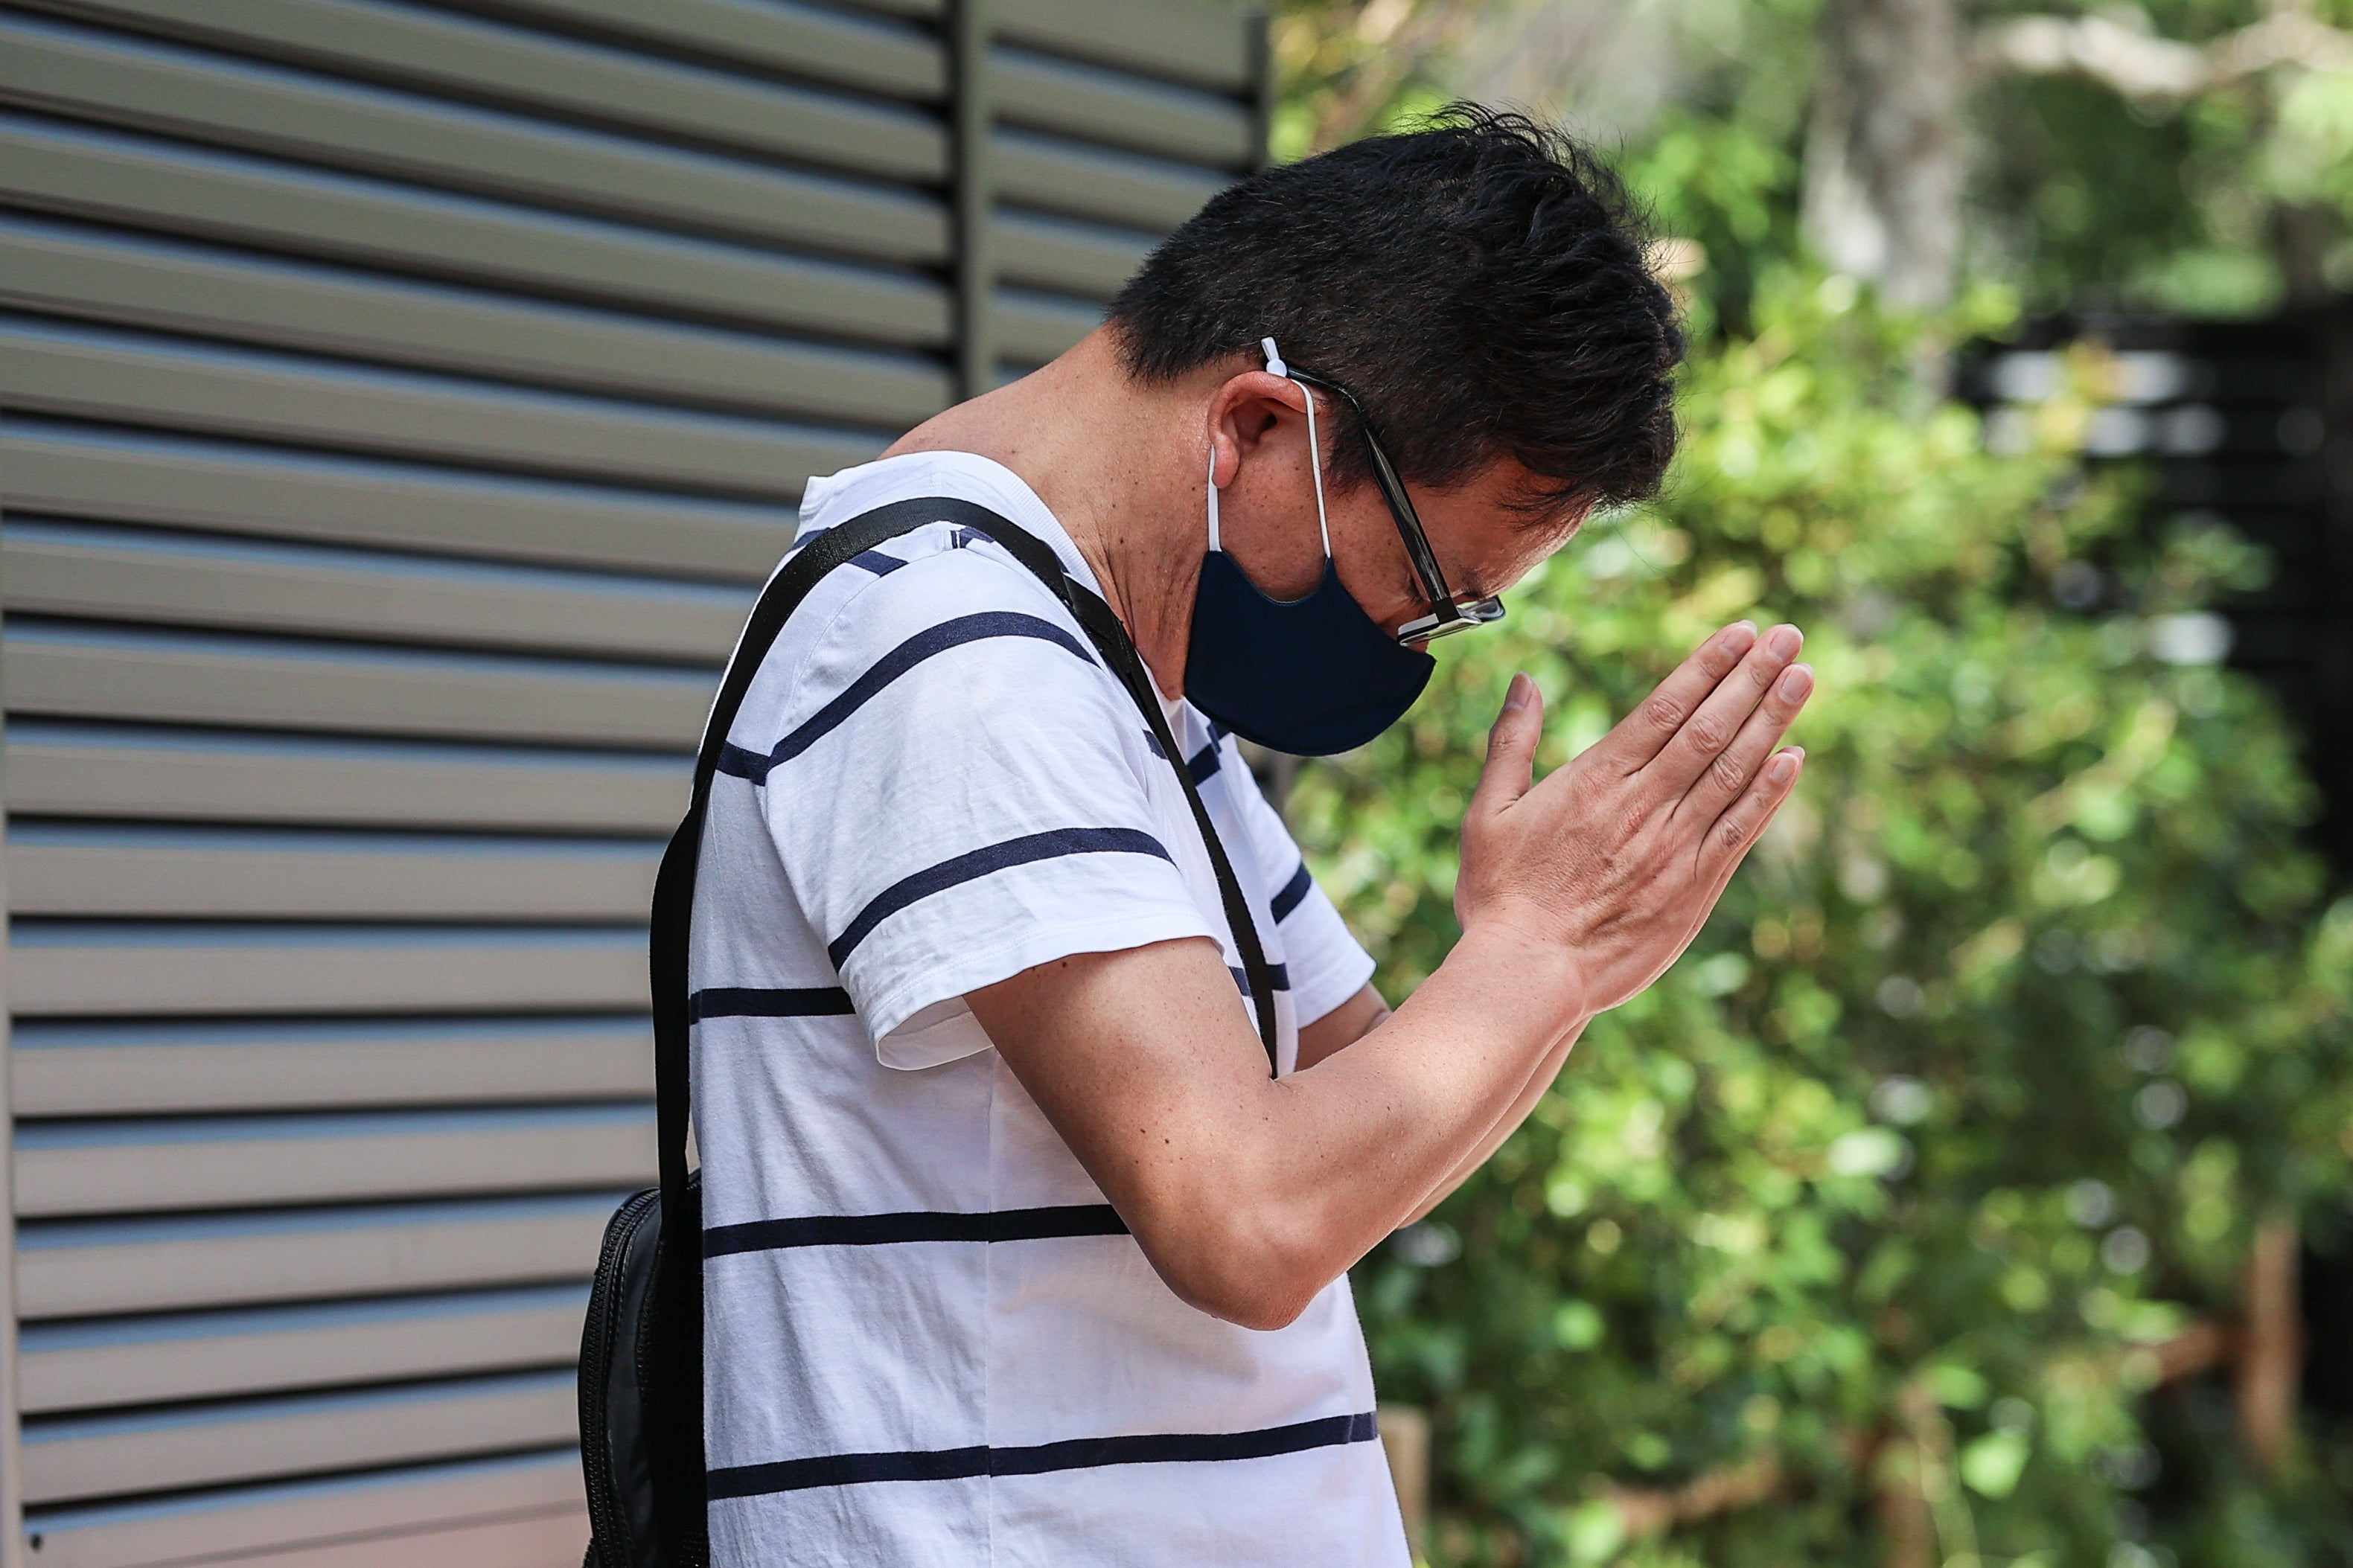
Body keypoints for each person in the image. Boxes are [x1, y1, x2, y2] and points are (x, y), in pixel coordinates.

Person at [690, 106, 1813, 1564]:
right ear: (1261, 429)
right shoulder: (956, 649)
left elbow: (1355, 1113)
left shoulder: (1127, 678)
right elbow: (1252, 1217)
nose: (1416, 642)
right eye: (1430, 583)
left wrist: (1560, 965)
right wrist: (1538, 955)